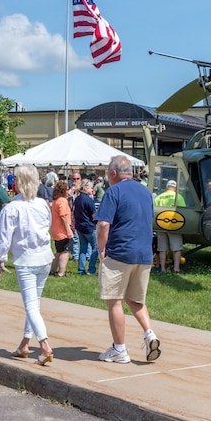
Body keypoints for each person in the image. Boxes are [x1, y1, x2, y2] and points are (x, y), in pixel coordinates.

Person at [96, 155, 160, 364]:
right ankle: (149, 333)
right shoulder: (145, 191)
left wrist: (101, 248)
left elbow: (104, 224)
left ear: (113, 173)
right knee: (136, 299)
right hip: (143, 253)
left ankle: (119, 349)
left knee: (114, 300)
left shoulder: (113, 192)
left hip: (120, 252)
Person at [0, 164, 55, 366]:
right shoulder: (42, 204)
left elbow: (3, 237)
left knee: (31, 306)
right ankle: (25, 344)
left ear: (18, 183)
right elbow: (47, 227)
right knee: (34, 303)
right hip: (44, 257)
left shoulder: (12, 208)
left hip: (26, 259)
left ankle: (44, 345)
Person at [153, 180, 186, 273]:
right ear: (175, 188)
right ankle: (176, 268)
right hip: (174, 226)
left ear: (167, 187)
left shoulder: (159, 197)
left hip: (161, 225)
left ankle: (163, 269)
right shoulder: (178, 196)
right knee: (177, 248)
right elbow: (183, 210)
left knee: (162, 248)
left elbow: (154, 210)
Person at [74, 179, 98, 275]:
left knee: (83, 249)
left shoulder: (77, 199)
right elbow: (94, 215)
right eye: (91, 188)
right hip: (89, 227)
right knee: (95, 248)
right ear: (86, 187)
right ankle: (91, 269)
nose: (92, 190)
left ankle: (81, 269)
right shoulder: (89, 200)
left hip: (80, 227)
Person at [49, 181, 73, 277]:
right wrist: (68, 230)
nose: (68, 191)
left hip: (55, 230)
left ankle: (53, 270)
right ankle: (61, 272)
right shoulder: (63, 201)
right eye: (67, 190)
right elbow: (62, 215)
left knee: (58, 251)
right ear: (63, 191)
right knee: (65, 251)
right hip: (62, 231)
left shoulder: (55, 200)